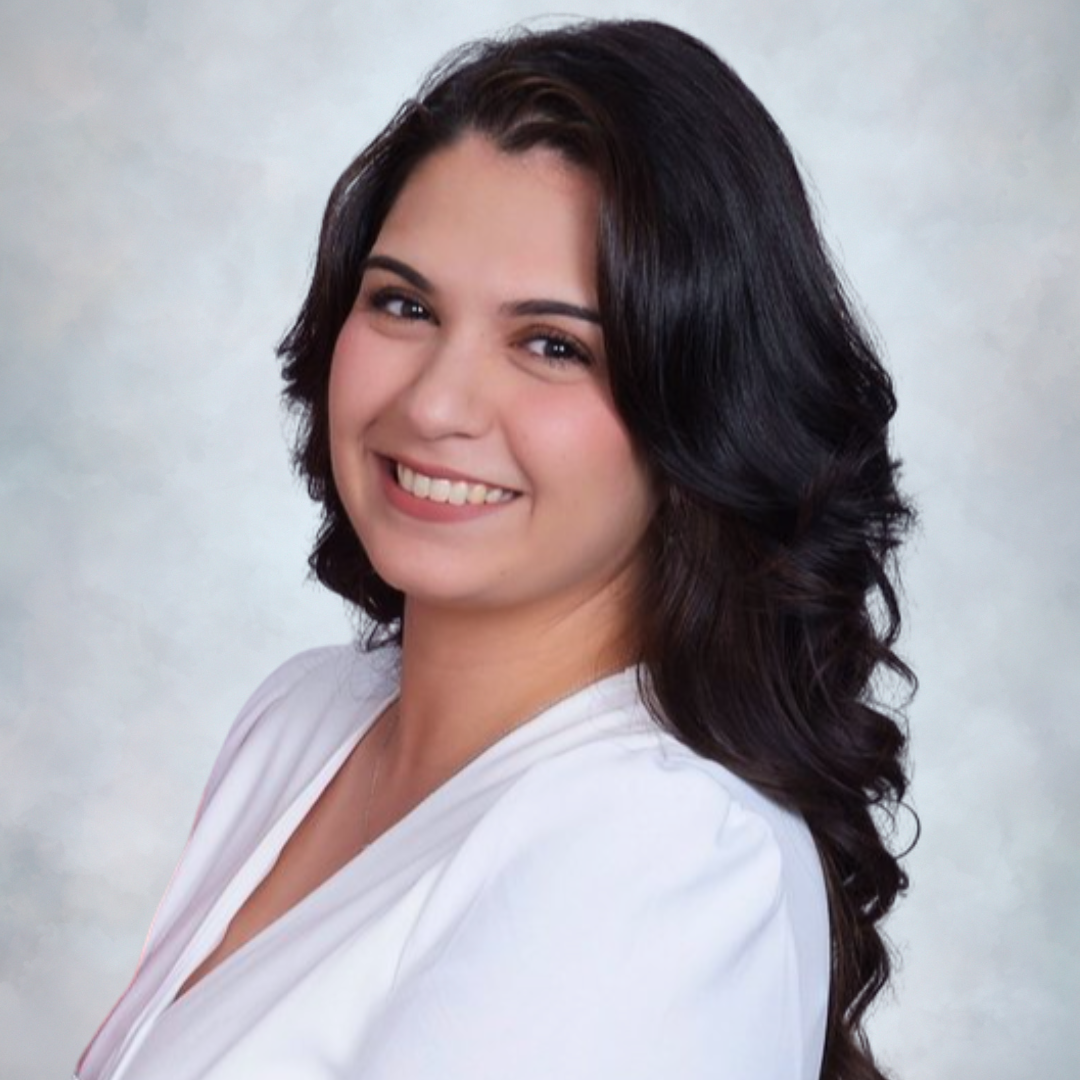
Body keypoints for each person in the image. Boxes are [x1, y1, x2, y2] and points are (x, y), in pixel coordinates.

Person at [75, 17, 916, 1080]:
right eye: (404, 304)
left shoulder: (663, 852)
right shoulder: (304, 719)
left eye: (553, 345)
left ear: (702, 412)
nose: (434, 403)